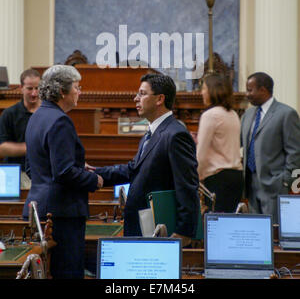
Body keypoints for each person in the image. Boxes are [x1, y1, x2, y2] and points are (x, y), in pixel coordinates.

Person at [96, 73, 200, 246]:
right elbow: (134, 169)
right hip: (142, 225)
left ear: (160, 99)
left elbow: (187, 186)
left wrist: (184, 231)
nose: (136, 99)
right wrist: (95, 173)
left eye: (142, 94)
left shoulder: (176, 135)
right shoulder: (151, 133)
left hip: (160, 228)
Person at [23, 65, 103, 279]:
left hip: (39, 209)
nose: (80, 92)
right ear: (62, 92)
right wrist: (93, 180)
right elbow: (64, 173)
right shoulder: (60, 121)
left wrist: (77, 168)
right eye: (77, 87)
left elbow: (33, 167)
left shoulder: (37, 117)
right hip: (61, 215)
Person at [241, 72, 300, 222]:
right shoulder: (247, 115)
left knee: (274, 236)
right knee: (256, 234)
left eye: (250, 90)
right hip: (250, 186)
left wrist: (285, 181)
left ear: (263, 90)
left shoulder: (286, 114)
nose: (247, 94)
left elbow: (295, 151)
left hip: (275, 186)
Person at [196, 73, 243, 212]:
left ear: (212, 91)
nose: (202, 92)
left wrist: (194, 179)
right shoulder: (233, 114)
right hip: (236, 176)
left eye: (204, 88)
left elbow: (201, 154)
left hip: (218, 178)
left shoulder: (210, 115)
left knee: (216, 224)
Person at [0, 68, 40, 186]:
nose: (34, 93)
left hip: (41, 172)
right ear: (21, 87)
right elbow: (2, 148)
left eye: (37, 88)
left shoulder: (48, 112)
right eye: (29, 88)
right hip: (16, 172)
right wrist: (32, 149)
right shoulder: (10, 114)